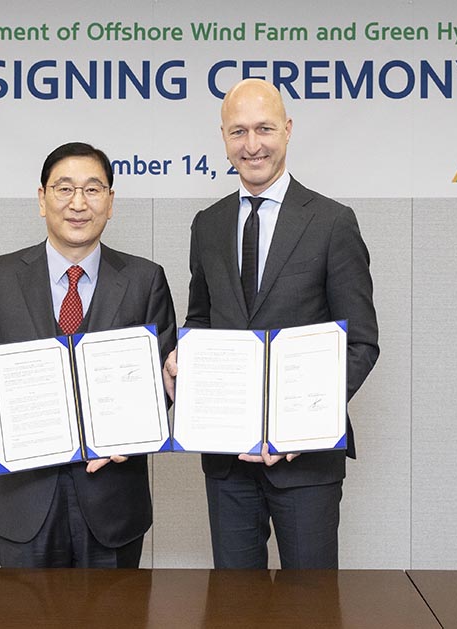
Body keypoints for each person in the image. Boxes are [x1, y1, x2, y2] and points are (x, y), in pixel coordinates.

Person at [162, 79, 379, 569]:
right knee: (234, 607)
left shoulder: (331, 222)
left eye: (263, 128)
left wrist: (297, 429)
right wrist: (185, 359)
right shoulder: (207, 224)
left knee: (311, 607)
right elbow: (201, 318)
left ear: (288, 129)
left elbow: (361, 342)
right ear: (223, 137)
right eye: (238, 132)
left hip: (306, 463)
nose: (252, 144)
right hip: (226, 459)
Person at [0, 141, 177, 568]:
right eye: (64, 189)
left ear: (110, 202)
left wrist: (138, 425)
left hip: (113, 499)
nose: (79, 203)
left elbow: (163, 378)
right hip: (23, 499)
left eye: (93, 190)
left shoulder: (145, 280)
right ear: (42, 199)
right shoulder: (1, 276)